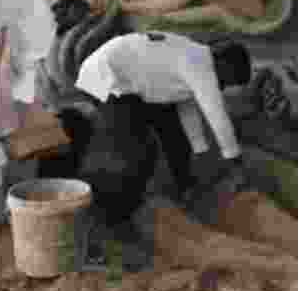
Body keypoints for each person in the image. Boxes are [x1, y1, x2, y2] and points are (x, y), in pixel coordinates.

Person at [73, 31, 253, 226]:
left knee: (172, 130)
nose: (222, 88)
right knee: (138, 148)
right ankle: (112, 214)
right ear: (224, 64)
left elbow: (187, 108)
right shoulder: (201, 65)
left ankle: (186, 189)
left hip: (126, 81)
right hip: (106, 78)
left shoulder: (194, 56)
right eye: (227, 81)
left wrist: (200, 149)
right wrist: (236, 163)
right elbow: (217, 114)